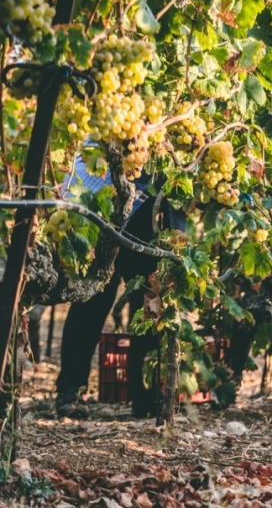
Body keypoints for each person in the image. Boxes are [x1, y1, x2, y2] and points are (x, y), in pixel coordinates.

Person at [55, 155, 186, 418]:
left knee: (150, 301)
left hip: (149, 206)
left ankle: (146, 397)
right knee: (91, 298)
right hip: (103, 195)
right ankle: (70, 391)